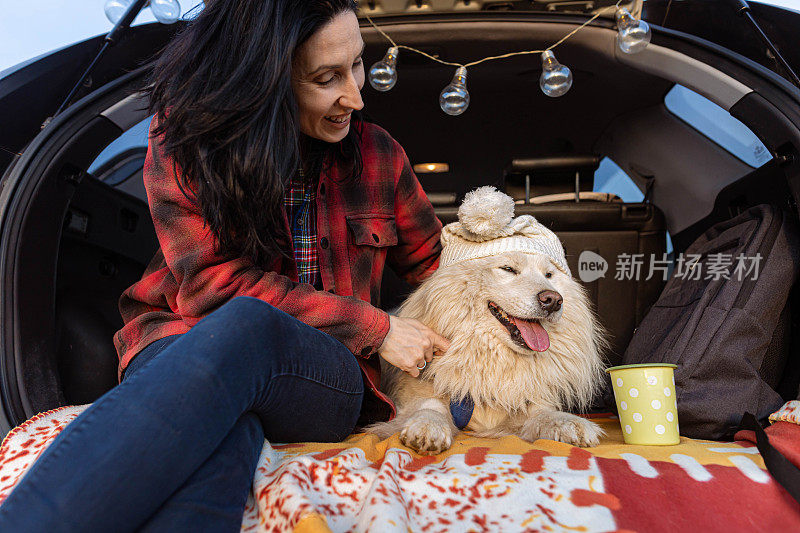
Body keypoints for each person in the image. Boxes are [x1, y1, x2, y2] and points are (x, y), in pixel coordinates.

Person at [0, 1, 449, 531]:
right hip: (178, 343)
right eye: (327, 78)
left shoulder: (380, 156)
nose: (355, 94)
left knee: (249, 327)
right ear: (266, 81)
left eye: (357, 64)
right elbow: (211, 287)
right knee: (226, 432)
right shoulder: (186, 145)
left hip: (325, 377)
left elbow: (441, 275)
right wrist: (378, 326)